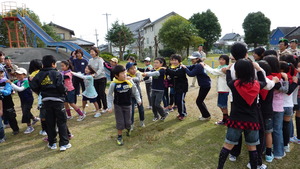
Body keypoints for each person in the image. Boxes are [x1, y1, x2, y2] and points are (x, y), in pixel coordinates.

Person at [217, 59, 267, 169]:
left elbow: (228, 78)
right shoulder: (257, 85)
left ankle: (219, 167)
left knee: (228, 145)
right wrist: (258, 69)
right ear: (251, 71)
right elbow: (264, 82)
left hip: (236, 120)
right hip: (252, 120)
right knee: (252, 147)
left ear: (237, 71)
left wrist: (229, 69)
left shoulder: (234, 84)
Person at [30, 55, 71, 151]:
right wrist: (65, 91)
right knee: (61, 122)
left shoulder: (39, 74)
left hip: (46, 101)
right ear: (53, 64)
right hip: (57, 101)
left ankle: (52, 143)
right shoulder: (57, 73)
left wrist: (41, 91)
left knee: (50, 123)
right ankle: (64, 144)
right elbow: (60, 87)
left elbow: (33, 86)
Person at [107, 65, 141, 146]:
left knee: (128, 122)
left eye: (125, 72)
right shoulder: (113, 84)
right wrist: (109, 106)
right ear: (116, 75)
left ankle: (128, 129)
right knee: (120, 122)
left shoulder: (129, 81)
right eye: (122, 73)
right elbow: (109, 95)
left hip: (128, 104)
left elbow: (135, 91)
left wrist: (138, 99)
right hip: (118, 105)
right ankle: (119, 136)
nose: (125, 74)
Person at [7, 67, 39, 134]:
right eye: (17, 74)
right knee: (26, 111)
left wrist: (11, 84)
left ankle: (29, 127)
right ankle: (34, 118)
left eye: (20, 74)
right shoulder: (17, 81)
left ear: (24, 75)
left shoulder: (26, 81)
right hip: (22, 100)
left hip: (28, 99)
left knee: (25, 112)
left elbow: (20, 89)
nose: (18, 76)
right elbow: (12, 87)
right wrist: (11, 89)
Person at [182, 52, 211, 121]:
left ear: (198, 59)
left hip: (205, 85)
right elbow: (189, 67)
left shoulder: (199, 66)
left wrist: (185, 68)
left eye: (193, 59)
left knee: (199, 101)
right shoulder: (197, 64)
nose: (192, 60)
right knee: (200, 101)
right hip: (205, 84)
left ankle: (206, 116)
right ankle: (206, 115)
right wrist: (182, 66)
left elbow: (191, 74)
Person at [201, 55, 230, 125]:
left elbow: (213, 72)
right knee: (222, 105)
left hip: (224, 89)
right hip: (222, 89)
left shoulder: (224, 68)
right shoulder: (220, 67)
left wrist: (204, 66)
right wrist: (206, 65)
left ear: (226, 61)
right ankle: (226, 119)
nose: (221, 61)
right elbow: (214, 70)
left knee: (222, 105)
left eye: (223, 60)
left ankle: (226, 120)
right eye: (220, 59)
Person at [28, 59, 47, 137]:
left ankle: (44, 130)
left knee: (43, 114)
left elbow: (33, 88)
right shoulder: (45, 71)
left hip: (41, 96)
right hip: (50, 94)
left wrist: (39, 93)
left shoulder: (31, 76)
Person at [166, 54, 188, 120]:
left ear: (179, 61)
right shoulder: (171, 67)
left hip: (182, 87)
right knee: (179, 100)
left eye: (175, 60)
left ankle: (182, 114)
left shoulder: (181, 67)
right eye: (172, 60)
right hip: (175, 87)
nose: (173, 62)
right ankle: (183, 112)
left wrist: (167, 70)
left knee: (179, 100)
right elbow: (171, 75)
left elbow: (176, 73)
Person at [0, 67, 19, 135]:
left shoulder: (6, 81)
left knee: (11, 117)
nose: (1, 74)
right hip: (0, 104)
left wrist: (0, 90)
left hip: (7, 103)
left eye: (2, 72)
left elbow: (8, 92)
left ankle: (15, 129)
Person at [88, 47, 108, 114]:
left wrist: (95, 75)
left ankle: (105, 107)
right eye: (90, 52)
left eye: (92, 52)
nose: (91, 53)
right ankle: (99, 107)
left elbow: (101, 69)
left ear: (96, 52)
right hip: (94, 79)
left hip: (102, 78)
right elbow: (89, 68)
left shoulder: (100, 59)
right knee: (96, 94)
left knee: (101, 93)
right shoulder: (90, 60)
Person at [126, 62, 145, 129]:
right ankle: (131, 124)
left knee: (141, 109)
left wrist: (130, 79)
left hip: (138, 94)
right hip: (130, 96)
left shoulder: (137, 73)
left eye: (134, 68)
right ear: (127, 70)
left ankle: (142, 121)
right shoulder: (125, 75)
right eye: (131, 68)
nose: (133, 70)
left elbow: (138, 79)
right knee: (131, 110)